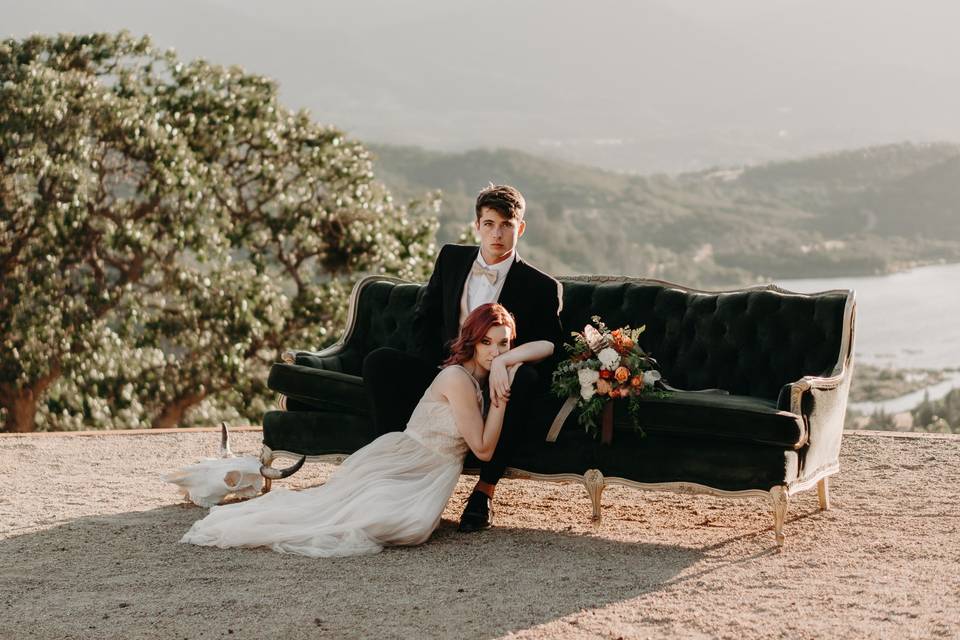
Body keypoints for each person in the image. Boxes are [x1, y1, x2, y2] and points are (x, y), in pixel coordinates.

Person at [180, 303, 554, 558]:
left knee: (413, 527)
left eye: (503, 342)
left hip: (433, 472)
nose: (493, 350)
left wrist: (509, 359)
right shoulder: (458, 378)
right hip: (408, 460)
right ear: (471, 340)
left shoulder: (488, 372)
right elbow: (485, 451)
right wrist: (502, 396)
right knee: (397, 526)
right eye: (487, 342)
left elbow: (547, 345)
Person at [363, 184, 564, 533]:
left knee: (526, 380)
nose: (497, 234)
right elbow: (423, 318)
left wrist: (503, 362)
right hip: (445, 369)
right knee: (380, 362)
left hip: (495, 379)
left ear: (521, 227)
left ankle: (484, 491)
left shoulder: (541, 286)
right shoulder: (451, 258)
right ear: (477, 226)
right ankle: (392, 467)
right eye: (489, 224)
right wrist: (442, 369)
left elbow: (551, 343)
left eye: (506, 224)